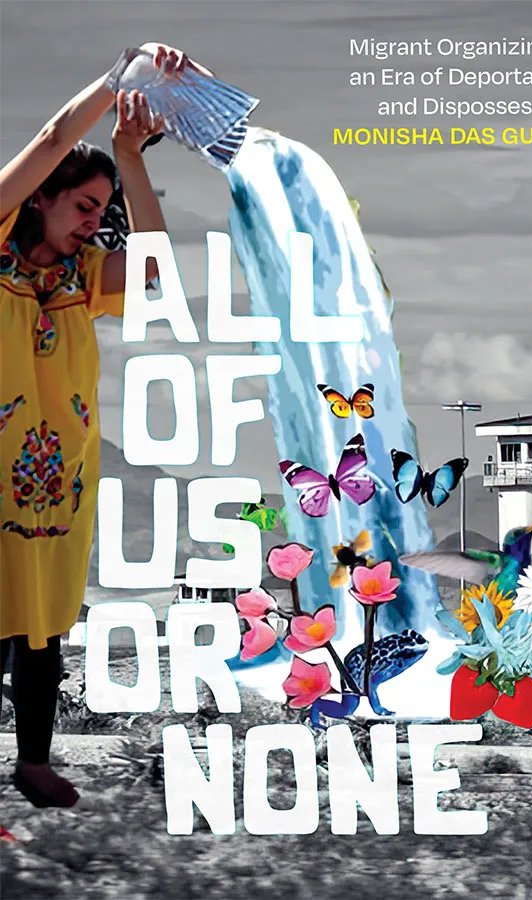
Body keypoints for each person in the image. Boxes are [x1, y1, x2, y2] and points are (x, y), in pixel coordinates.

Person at [0, 42, 204, 810]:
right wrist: (125, 74)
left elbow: (153, 267)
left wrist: (131, 156)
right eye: (82, 206)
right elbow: (54, 137)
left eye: (100, 210)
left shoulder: (81, 278)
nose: (94, 223)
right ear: (43, 196)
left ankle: (34, 761)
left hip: (59, 478)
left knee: (45, 623)